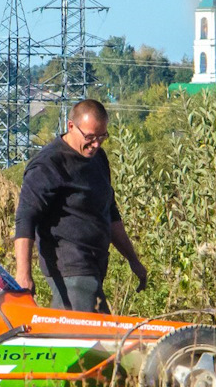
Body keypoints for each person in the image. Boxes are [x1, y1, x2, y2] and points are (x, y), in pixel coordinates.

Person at [13, 98, 147, 313]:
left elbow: (110, 213)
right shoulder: (49, 164)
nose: (96, 144)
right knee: (90, 341)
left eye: (102, 136)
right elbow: (25, 218)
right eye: (90, 137)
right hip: (70, 270)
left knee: (95, 339)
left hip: (95, 267)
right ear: (71, 126)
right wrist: (23, 274)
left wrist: (133, 260)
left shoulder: (98, 158)